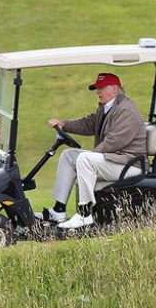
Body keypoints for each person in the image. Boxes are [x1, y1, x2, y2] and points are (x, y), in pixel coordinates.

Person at [35, 73, 149, 229]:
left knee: (85, 159)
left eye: (102, 88)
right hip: (116, 160)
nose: (98, 91)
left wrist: (88, 157)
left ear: (115, 89)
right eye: (97, 88)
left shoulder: (126, 112)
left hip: (130, 165)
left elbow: (113, 142)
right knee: (69, 155)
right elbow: (88, 124)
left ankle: (84, 214)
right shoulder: (106, 108)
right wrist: (64, 124)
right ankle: (58, 210)